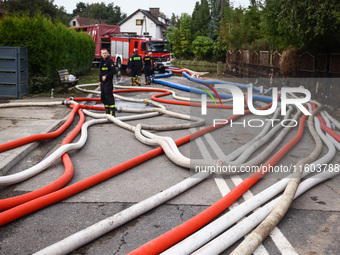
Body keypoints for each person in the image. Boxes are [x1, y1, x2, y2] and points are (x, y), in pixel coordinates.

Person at [99, 48, 116, 116]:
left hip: (108, 81)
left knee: (109, 95)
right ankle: (107, 110)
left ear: (107, 53)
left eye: (105, 53)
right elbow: (101, 72)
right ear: (101, 54)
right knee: (103, 96)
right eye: (103, 53)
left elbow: (113, 71)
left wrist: (106, 76)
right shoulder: (102, 61)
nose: (104, 54)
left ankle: (112, 112)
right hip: (103, 82)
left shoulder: (110, 61)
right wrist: (100, 81)